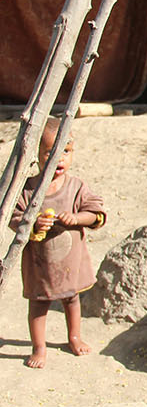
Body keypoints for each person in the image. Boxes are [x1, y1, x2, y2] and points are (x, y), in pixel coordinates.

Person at [9, 117, 105, 369]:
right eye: (51, 152)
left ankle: (74, 337)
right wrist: (32, 224)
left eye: (66, 151)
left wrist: (75, 218)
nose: (59, 158)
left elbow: (95, 213)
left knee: (72, 300)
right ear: (37, 155)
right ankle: (39, 347)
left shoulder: (76, 187)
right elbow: (14, 215)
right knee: (38, 304)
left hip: (69, 264)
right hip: (40, 265)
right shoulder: (29, 189)